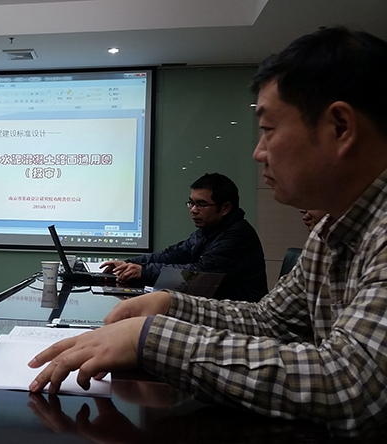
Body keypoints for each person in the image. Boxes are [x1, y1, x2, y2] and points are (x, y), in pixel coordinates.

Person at [29, 27, 387, 436]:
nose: (258, 152)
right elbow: (269, 320)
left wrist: (150, 339)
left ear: (340, 127)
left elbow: (349, 384)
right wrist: (169, 304)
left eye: (268, 130)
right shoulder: (330, 231)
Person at [100, 173, 267, 302]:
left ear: (225, 208)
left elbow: (200, 274)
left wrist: (143, 271)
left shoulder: (238, 235)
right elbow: (172, 255)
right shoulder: (209, 230)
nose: (193, 210)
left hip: (237, 318)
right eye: (191, 203)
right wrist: (129, 263)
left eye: (201, 204)